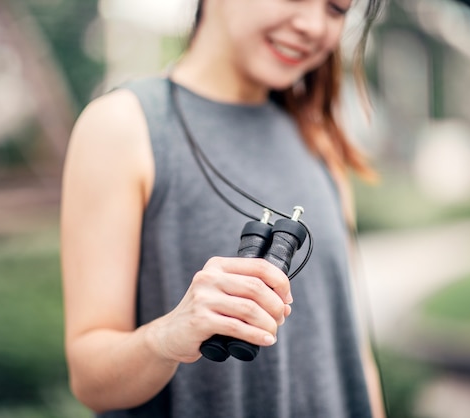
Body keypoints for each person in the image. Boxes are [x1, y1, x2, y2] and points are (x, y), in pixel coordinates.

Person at [60, 0, 386, 417]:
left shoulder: (318, 142)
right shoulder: (125, 126)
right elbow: (90, 379)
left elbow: (354, 357)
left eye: (337, 9)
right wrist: (169, 335)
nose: (312, 25)